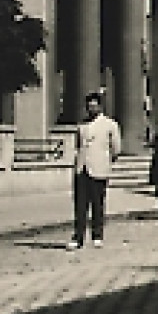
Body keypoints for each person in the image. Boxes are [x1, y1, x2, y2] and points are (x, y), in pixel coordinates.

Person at [69, 92, 122, 251]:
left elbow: (116, 148)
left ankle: (97, 235)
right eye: (89, 106)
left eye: (94, 106)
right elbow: (78, 146)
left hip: (99, 169)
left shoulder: (110, 125)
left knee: (97, 204)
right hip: (82, 169)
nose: (91, 109)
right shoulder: (82, 126)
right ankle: (78, 237)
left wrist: (107, 161)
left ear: (100, 106)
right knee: (80, 205)